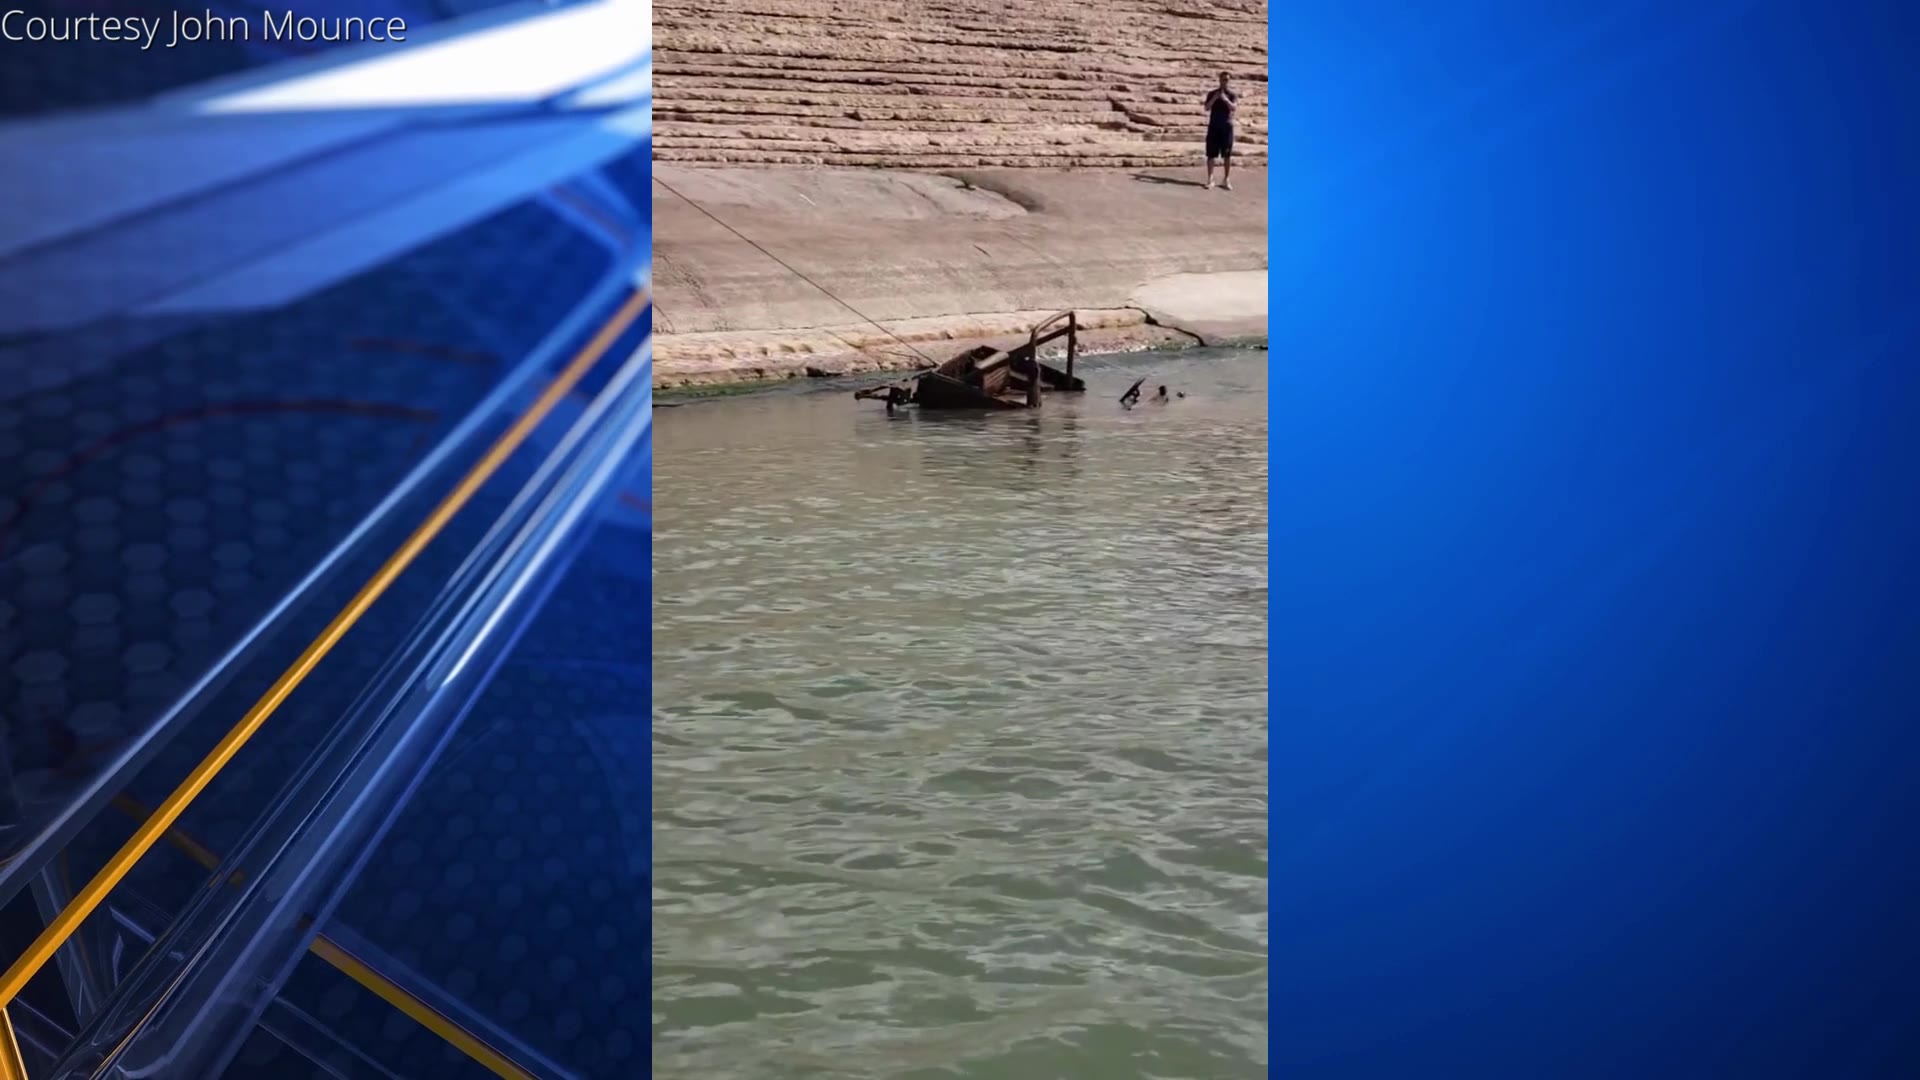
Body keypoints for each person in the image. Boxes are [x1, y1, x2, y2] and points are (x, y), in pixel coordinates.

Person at [1203, 71, 1238, 191]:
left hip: (1226, 127)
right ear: (1219, 80)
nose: (1225, 82)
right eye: (1223, 79)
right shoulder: (1212, 93)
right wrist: (1215, 98)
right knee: (1211, 154)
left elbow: (1234, 108)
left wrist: (1225, 99)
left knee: (1227, 155)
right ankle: (1210, 179)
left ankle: (1226, 179)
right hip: (1214, 126)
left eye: (1227, 80)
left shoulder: (1231, 94)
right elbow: (1206, 108)